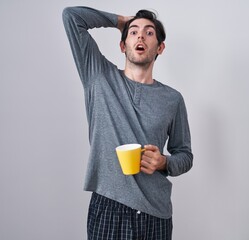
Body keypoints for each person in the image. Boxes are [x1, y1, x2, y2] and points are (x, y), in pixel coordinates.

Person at [62, 6, 193, 239]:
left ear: (160, 48)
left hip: (155, 215)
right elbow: (72, 16)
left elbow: (185, 155)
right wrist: (121, 21)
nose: (141, 36)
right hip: (108, 209)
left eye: (149, 32)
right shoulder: (98, 76)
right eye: (133, 32)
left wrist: (164, 162)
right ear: (122, 46)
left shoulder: (173, 99)